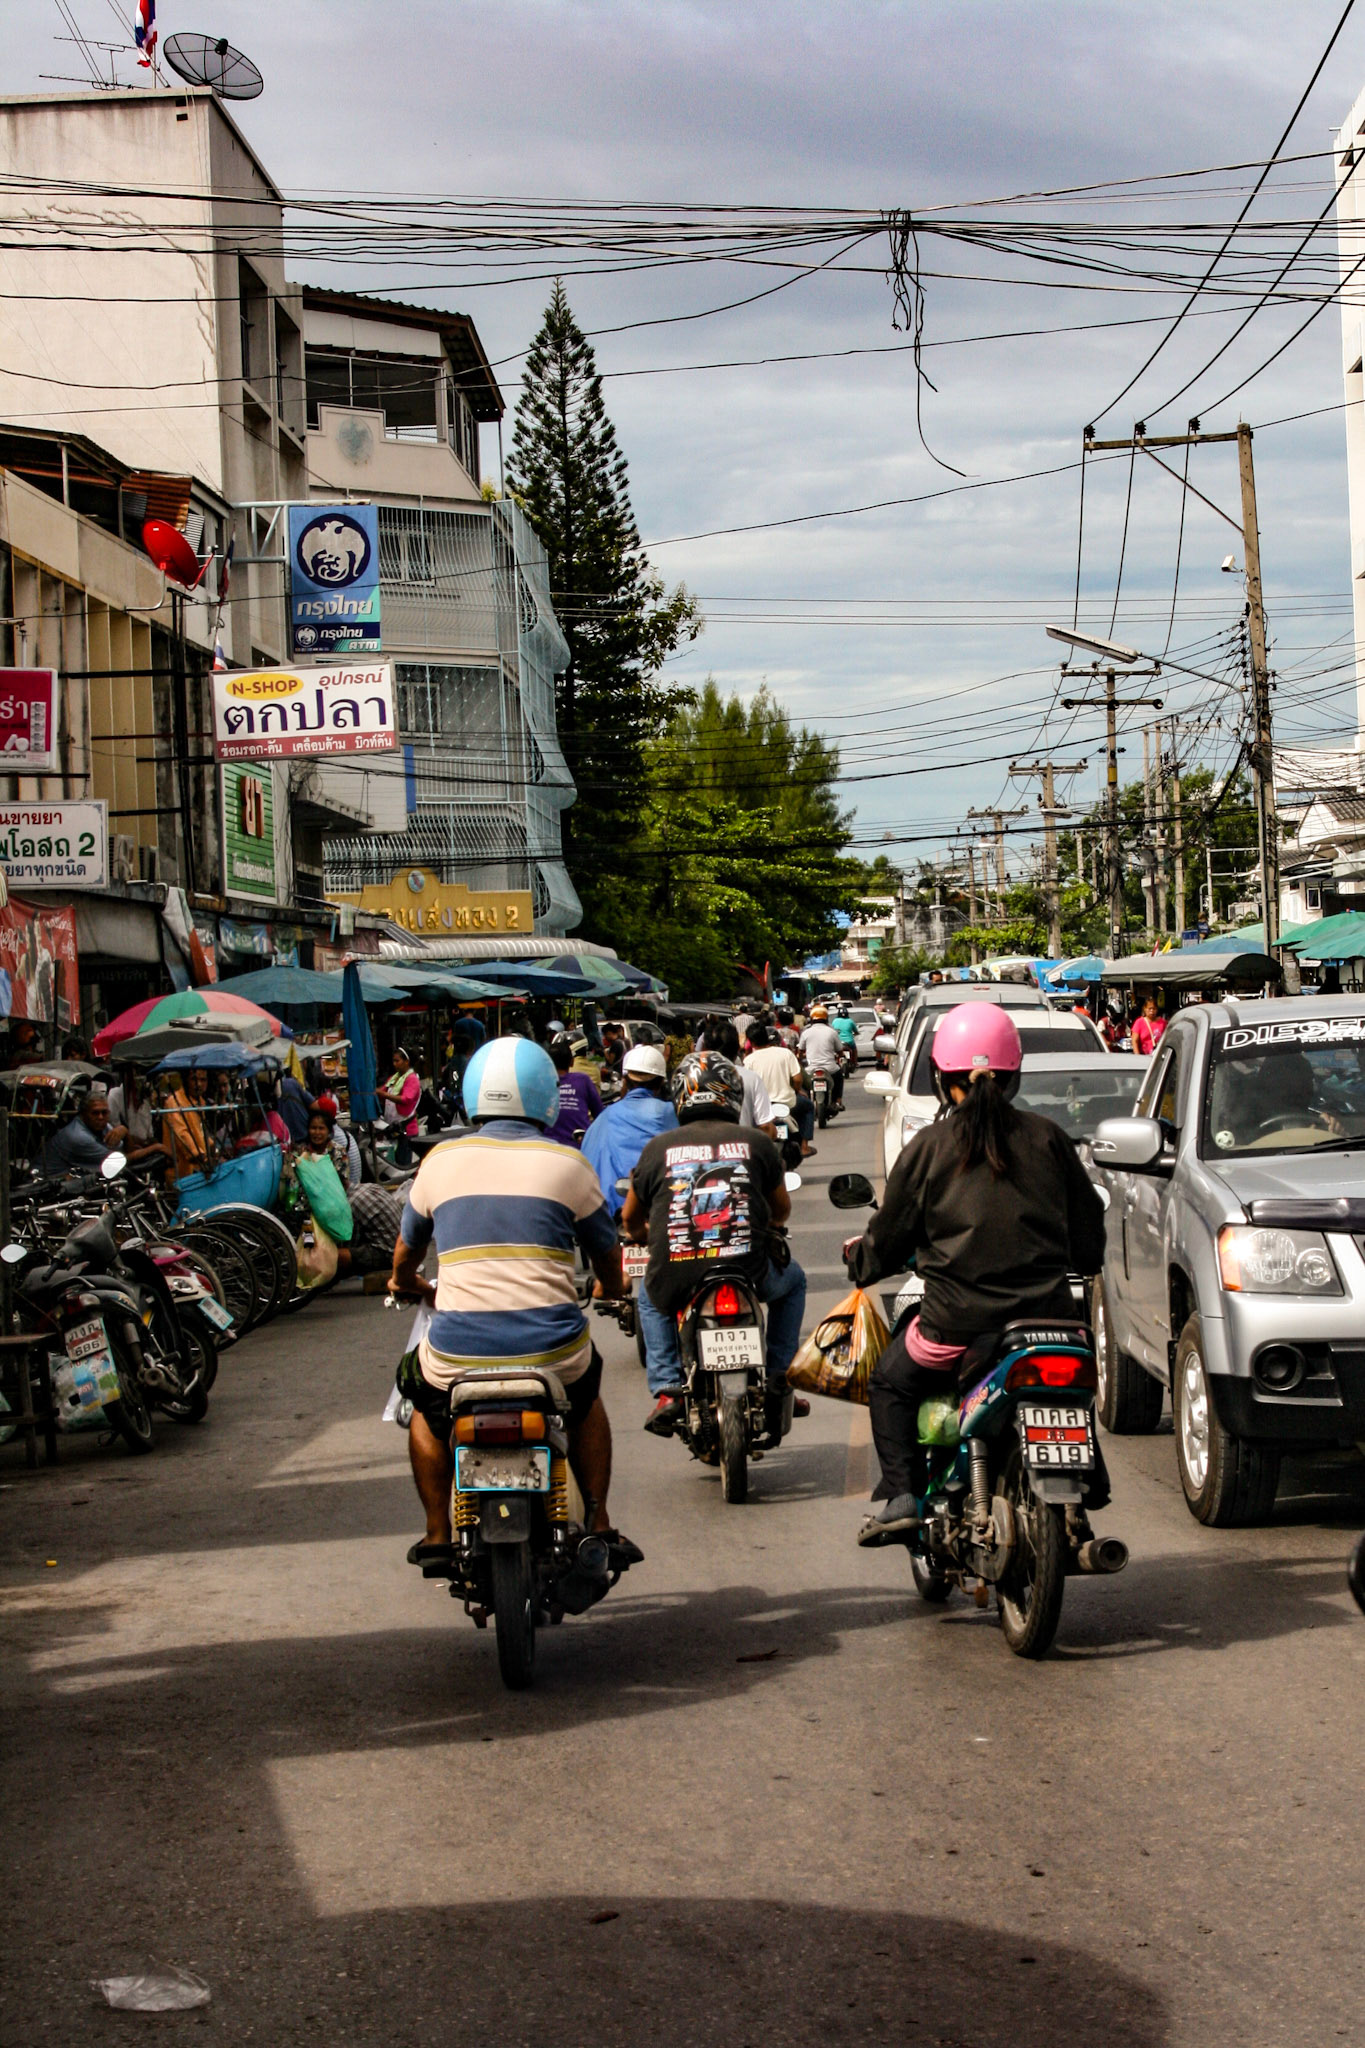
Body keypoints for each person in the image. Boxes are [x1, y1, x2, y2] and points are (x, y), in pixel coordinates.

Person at [842, 1004, 1106, 1546]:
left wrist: (862, 1264)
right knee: (1070, 1385)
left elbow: (888, 1238)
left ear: (942, 1077)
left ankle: (901, 1495)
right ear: (1014, 1075)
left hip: (952, 1329)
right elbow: (1088, 1232)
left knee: (889, 1382)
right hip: (1049, 1322)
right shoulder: (1049, 1138)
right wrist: (1082, 1261)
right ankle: (1089, 1476)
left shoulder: (929, 1148)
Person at [388, 1036, 637, 1557]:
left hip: (457, 1356)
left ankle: (437, 1530)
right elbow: (607, 1255)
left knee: (422, 1403)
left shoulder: (438, 1161)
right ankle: (598, 1516)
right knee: (587, 1399)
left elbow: (404, 1256)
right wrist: (612, 1289)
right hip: (553, 1353)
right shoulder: (568, 1163)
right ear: (545, 1095)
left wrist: (408, 1284)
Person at [623, 1050, 808, 1439]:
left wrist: (643, 1239)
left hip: (677, 1269)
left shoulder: (656, 1150)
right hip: (749, 1267)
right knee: (793, 1283)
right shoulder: (757, 1142)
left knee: (649, 1299)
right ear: (732, 1093)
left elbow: (630, 1219)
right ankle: (779, 1374)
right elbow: (782, 1210)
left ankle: (667, 1390)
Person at [581, 1044, 676, 1218]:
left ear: (625, 1079)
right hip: (659, 1212)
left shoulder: (605, 1117)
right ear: (661, 1082)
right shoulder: (669, 1113)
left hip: (608, 1216)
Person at [745, 1022, 816, 1156]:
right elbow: (798, 1079)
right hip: (788, 1103)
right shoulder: (785, 1053)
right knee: (808, 1107)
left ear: (751, 1042)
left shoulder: (749, 1061)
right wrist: (796, 1090)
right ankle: (805, 1146)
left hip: (763, 1108)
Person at [703, 1021, 776, 1135]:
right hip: (743, 1148)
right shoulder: (751, 1078)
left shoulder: (692, 1079)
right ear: (737, 1049)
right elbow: (765, 1126)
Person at [39, 1086, 122, 1178]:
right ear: (83, 1114)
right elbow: (118, 1162)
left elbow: (122, 1149)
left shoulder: (103, 1126)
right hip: (47, 1183)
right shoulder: (78, 1136)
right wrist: (126, 1133)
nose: (100, 1117)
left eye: (104, 1112)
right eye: (95, 1113)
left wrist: (124, 1132)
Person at [546, 1034, 603, 1148]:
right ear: (571, 1062)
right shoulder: (582, 1079)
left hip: (548, 1148)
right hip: (579, 1147)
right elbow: (599, 1113)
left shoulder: (541, 1082)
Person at [798, 1003, 844, 1112]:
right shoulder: (832, 1032)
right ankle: (837, 1101)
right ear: (826, 1018)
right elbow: (840, 1051)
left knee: (803, 1082)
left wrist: (802, 1057)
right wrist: (838, 1056)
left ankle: (806, 1099)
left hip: (811, 1069)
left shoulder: (806, 1033)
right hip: (830, 1068)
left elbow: (800, 1051)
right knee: (839, 1076)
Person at [303, 1103, 361, 1190]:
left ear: (329, 1131)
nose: (317, 1132)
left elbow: (341, 1183)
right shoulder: (303, 1152)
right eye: (313, 1128)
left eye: (321, 1128)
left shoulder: (338, 1151)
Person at [381, 1046, 422, 1165]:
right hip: (393, 1129)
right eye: (393, 1061)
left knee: (403, 1164)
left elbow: (406, 1099)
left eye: (397, 1060)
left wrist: (383, 1094)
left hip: (406, 1130)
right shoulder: (394, 1078)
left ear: (406, 1061)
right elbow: (382, 1090)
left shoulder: (412, 1079)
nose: (394, 1064)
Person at [277, 1069, 316, 1146]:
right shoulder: (291, 1083)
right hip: (302, 1130)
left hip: (285, 1138)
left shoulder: (272, 1087)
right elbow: (314, 1104)